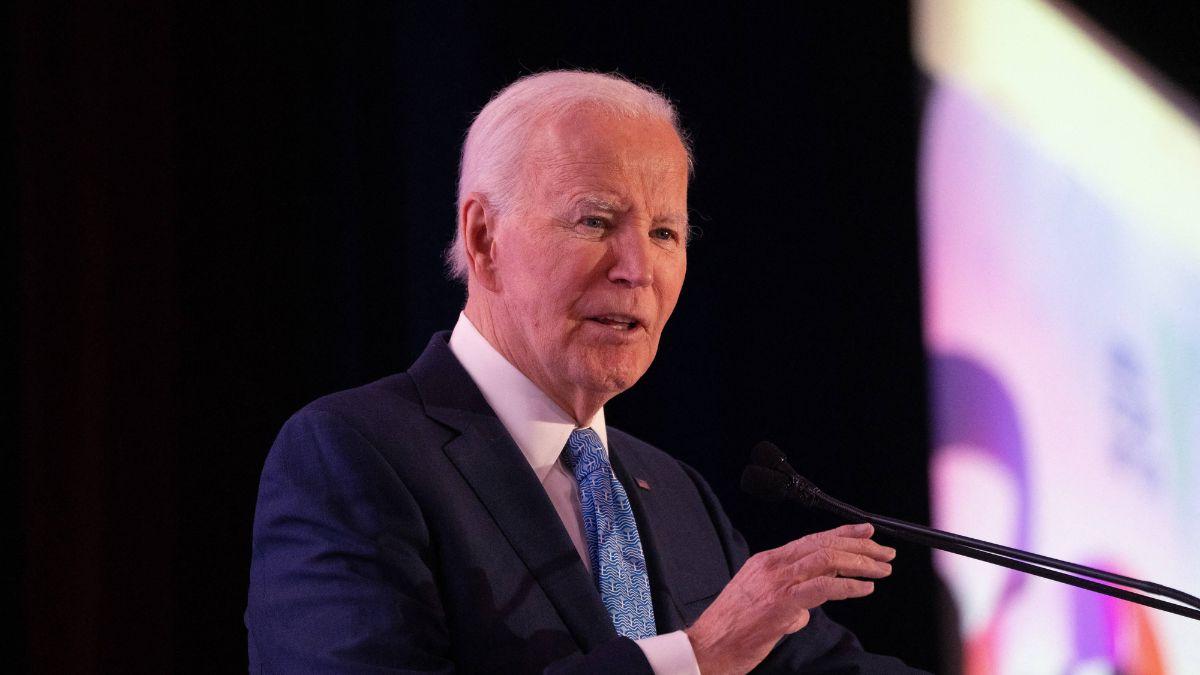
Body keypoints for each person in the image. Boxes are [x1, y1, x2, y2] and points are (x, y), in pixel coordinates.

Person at [246, 70, 921, 674]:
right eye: (596, 221)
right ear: (484, 238)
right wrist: (696, 657)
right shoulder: (352, 457)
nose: (637, 269)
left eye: (665, 233)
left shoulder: (674, 493)